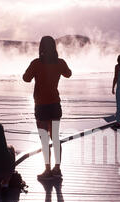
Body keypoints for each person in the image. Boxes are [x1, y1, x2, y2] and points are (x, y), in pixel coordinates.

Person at [23, 36, 72, 180]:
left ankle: (47, 170)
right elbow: (68, 74)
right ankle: (57, 168)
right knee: (55, 137)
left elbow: (26, 78)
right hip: (55, 105)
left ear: (41, 48)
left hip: (41, 106)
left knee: (44, 139)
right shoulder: (60, 62)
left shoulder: (36, 63)